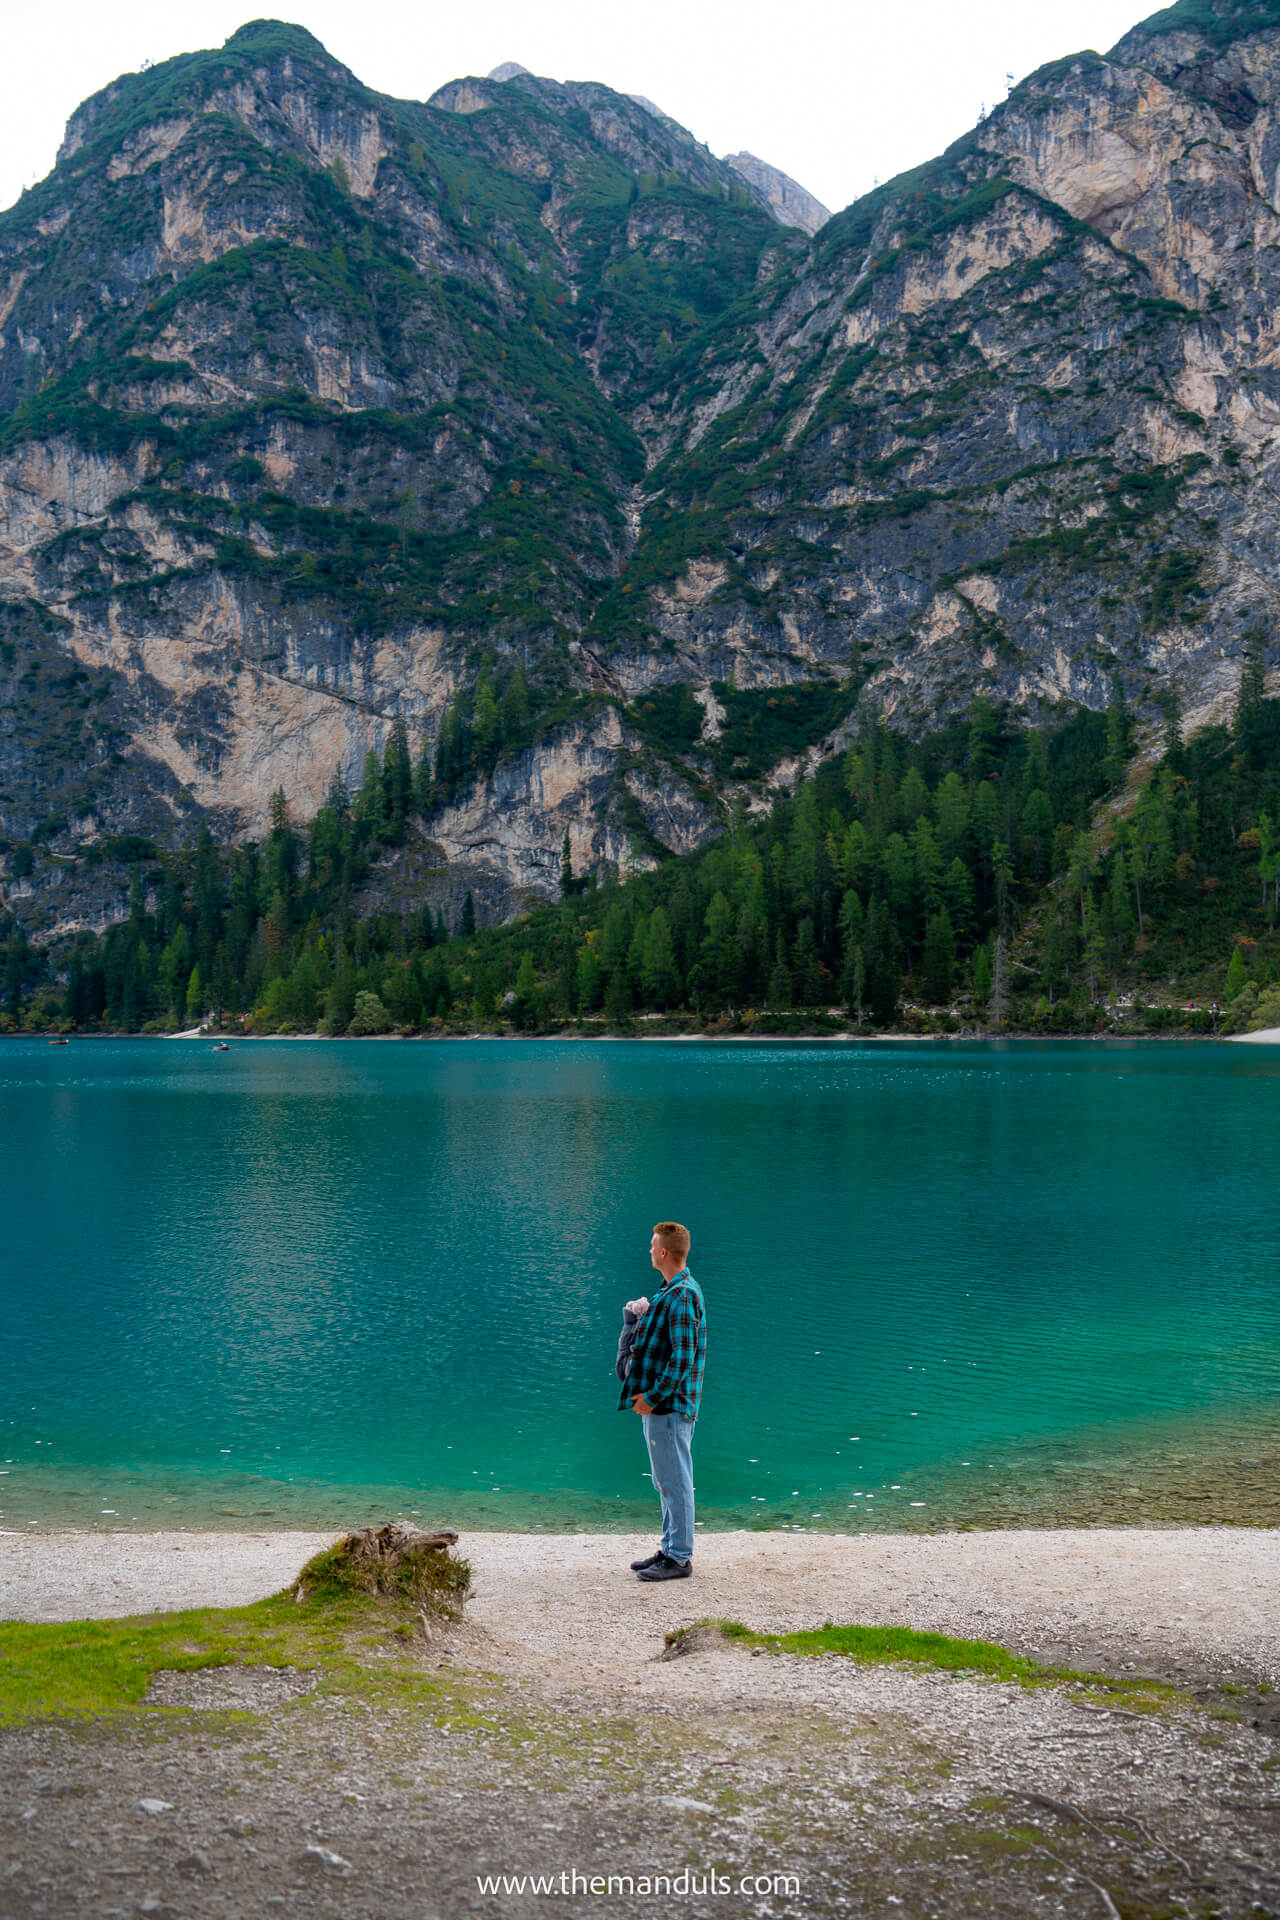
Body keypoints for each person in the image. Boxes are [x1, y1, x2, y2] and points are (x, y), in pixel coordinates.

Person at [619, 1220, 705, 1582]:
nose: (650, 1250)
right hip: (663, 1405)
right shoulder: (671, 1290)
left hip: (669, 1405)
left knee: (675, 1481)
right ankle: (670, 1548)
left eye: (654, 1246)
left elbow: (682, 1359)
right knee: (665, 1479)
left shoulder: (682, 1296)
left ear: (665, 1252)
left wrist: (653, 1398)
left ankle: (679, 1558)